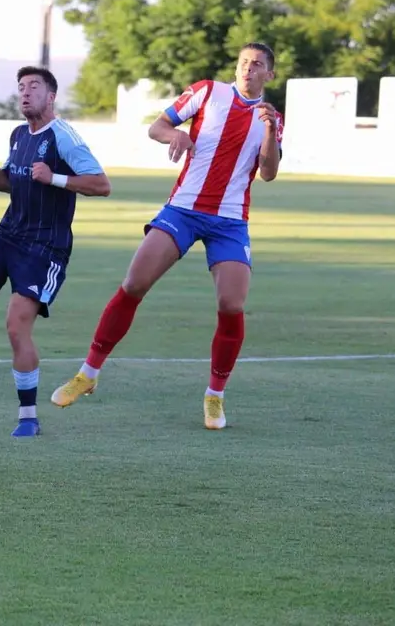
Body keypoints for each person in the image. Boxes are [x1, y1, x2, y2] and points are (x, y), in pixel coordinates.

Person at [51, 43, 284, 430]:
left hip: (229, 221)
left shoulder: (271, 118)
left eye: (257, 65)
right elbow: (157, 126)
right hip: (183, 210)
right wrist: (173, 137)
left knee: (231, 304)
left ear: (269, 75)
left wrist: (271, 129)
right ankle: (87, 374)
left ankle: (215, 396)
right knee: (134, 282)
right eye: (243, 62)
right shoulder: (208, 91)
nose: (248, 69)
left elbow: (270, 172)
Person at [0, 66, 112, 437]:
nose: (25, 92)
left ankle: (28, 417)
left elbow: (101, 184)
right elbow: (12, 182)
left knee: (16, 327)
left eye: (34, 86)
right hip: (9, 233)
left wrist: (55, 178)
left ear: (51, 97)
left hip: (44, 249)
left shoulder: (64, 137)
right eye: (20, 87)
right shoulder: (19, 134)